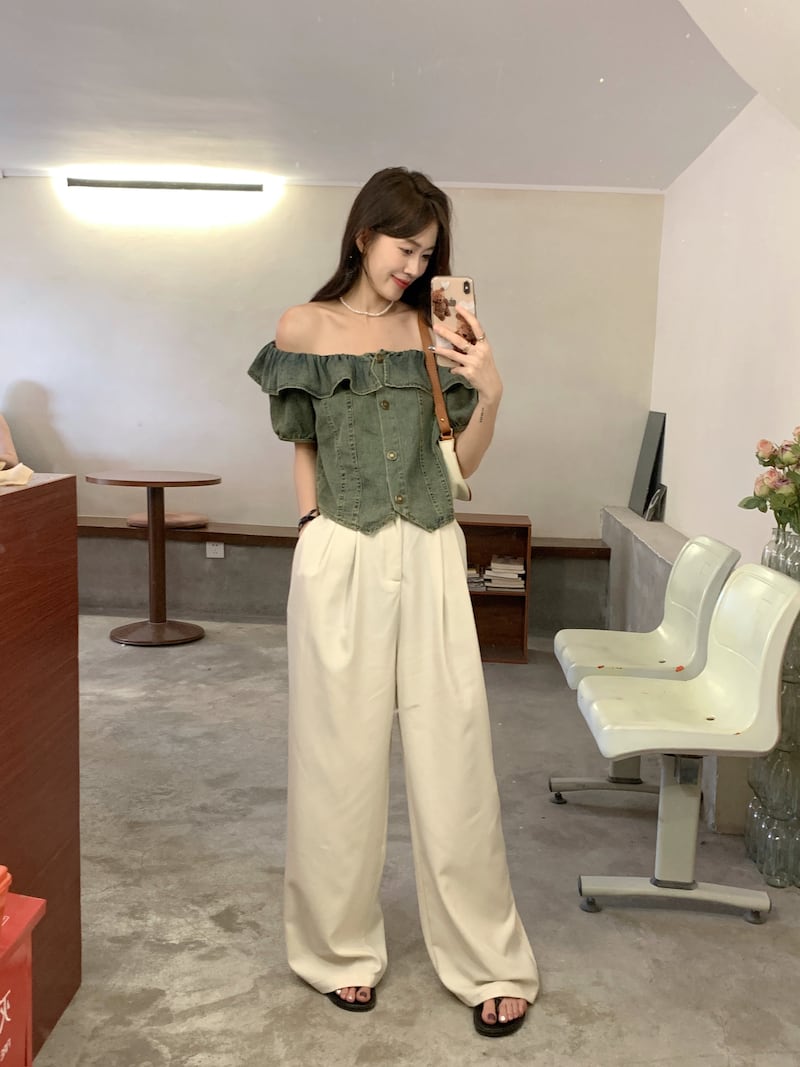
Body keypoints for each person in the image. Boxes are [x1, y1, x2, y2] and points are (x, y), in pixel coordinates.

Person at [248, 167, 539, 1038]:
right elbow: (303, 443)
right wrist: (311, 528)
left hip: (432, 547)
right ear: (362, 234)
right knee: (336, 757)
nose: (413, 267)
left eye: (427, 254)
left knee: (456, 754)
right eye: (404, 248)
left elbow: (462, 465)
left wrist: (491, 390)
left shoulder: (434, 330)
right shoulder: (303, 327)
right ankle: (338, 948)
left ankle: (487, 958)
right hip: (340, 548)